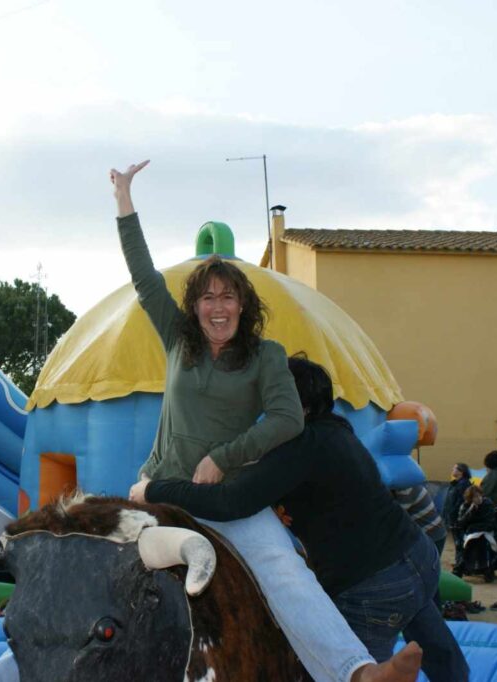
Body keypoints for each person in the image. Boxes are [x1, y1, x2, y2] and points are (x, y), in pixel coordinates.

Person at [112, 160, 422, 682]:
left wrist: (223, 458)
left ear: (242, 305)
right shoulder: (178, 340)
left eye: (227, 296)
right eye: (207, 297)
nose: (217, 307)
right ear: (195, 306)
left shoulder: (265, 356)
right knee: (108, 576)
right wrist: (124, 199)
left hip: (229, 499)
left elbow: (286, 419)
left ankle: (358, 673)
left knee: (287, 573)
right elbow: (144, 276)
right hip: (160, 491)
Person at [132, 355, 468, 682]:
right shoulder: (335, 432)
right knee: (440, 652)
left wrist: (156, 490)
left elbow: (230, 502)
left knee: (346, 667)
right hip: (417, 557)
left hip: (373, 586)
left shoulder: (300, 449)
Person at [392, 485, 447, 556]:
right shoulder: (407, 485)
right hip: (428, 533)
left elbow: (396, 517)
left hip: (432, 534)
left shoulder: (407, 489)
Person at [443, 462, 472, 574]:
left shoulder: (463, 485)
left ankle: (461, 565)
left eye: (455, 468)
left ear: (461, 472)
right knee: (458, 542)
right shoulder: (456, 484)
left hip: (458, 519)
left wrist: (453, 516)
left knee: (460, 542)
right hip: (453, 518)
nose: (452, 470)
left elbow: (460, 503)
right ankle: (460, 563)